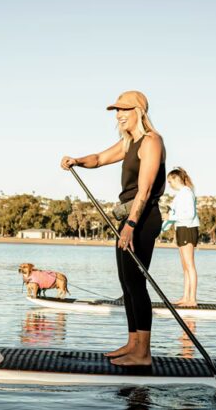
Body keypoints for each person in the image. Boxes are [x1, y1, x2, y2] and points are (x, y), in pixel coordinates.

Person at [60, 90, 166, 367]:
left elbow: (144, 191)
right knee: (127, 282)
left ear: (138, 112)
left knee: (137, 283)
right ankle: (133, 343)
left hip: (142, 218)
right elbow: (98, 158)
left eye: (123, 110)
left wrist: (131, 224)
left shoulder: (151, 141)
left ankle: (143, 353)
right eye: (116, 110)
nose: (118, 115)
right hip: (130, 216)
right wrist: (76, 160)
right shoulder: (128, 142)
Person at [162, 167, 200, 307]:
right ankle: (185, 297)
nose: (169, 185)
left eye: (170, 181)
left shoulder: (187, 193)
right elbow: (175, 215)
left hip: (188, 229)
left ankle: (192, 299)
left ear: (176, 179)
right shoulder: (181, 194)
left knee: (190, 265)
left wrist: (170, 216)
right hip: (181, 228)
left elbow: (189, 214)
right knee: (185, 266)